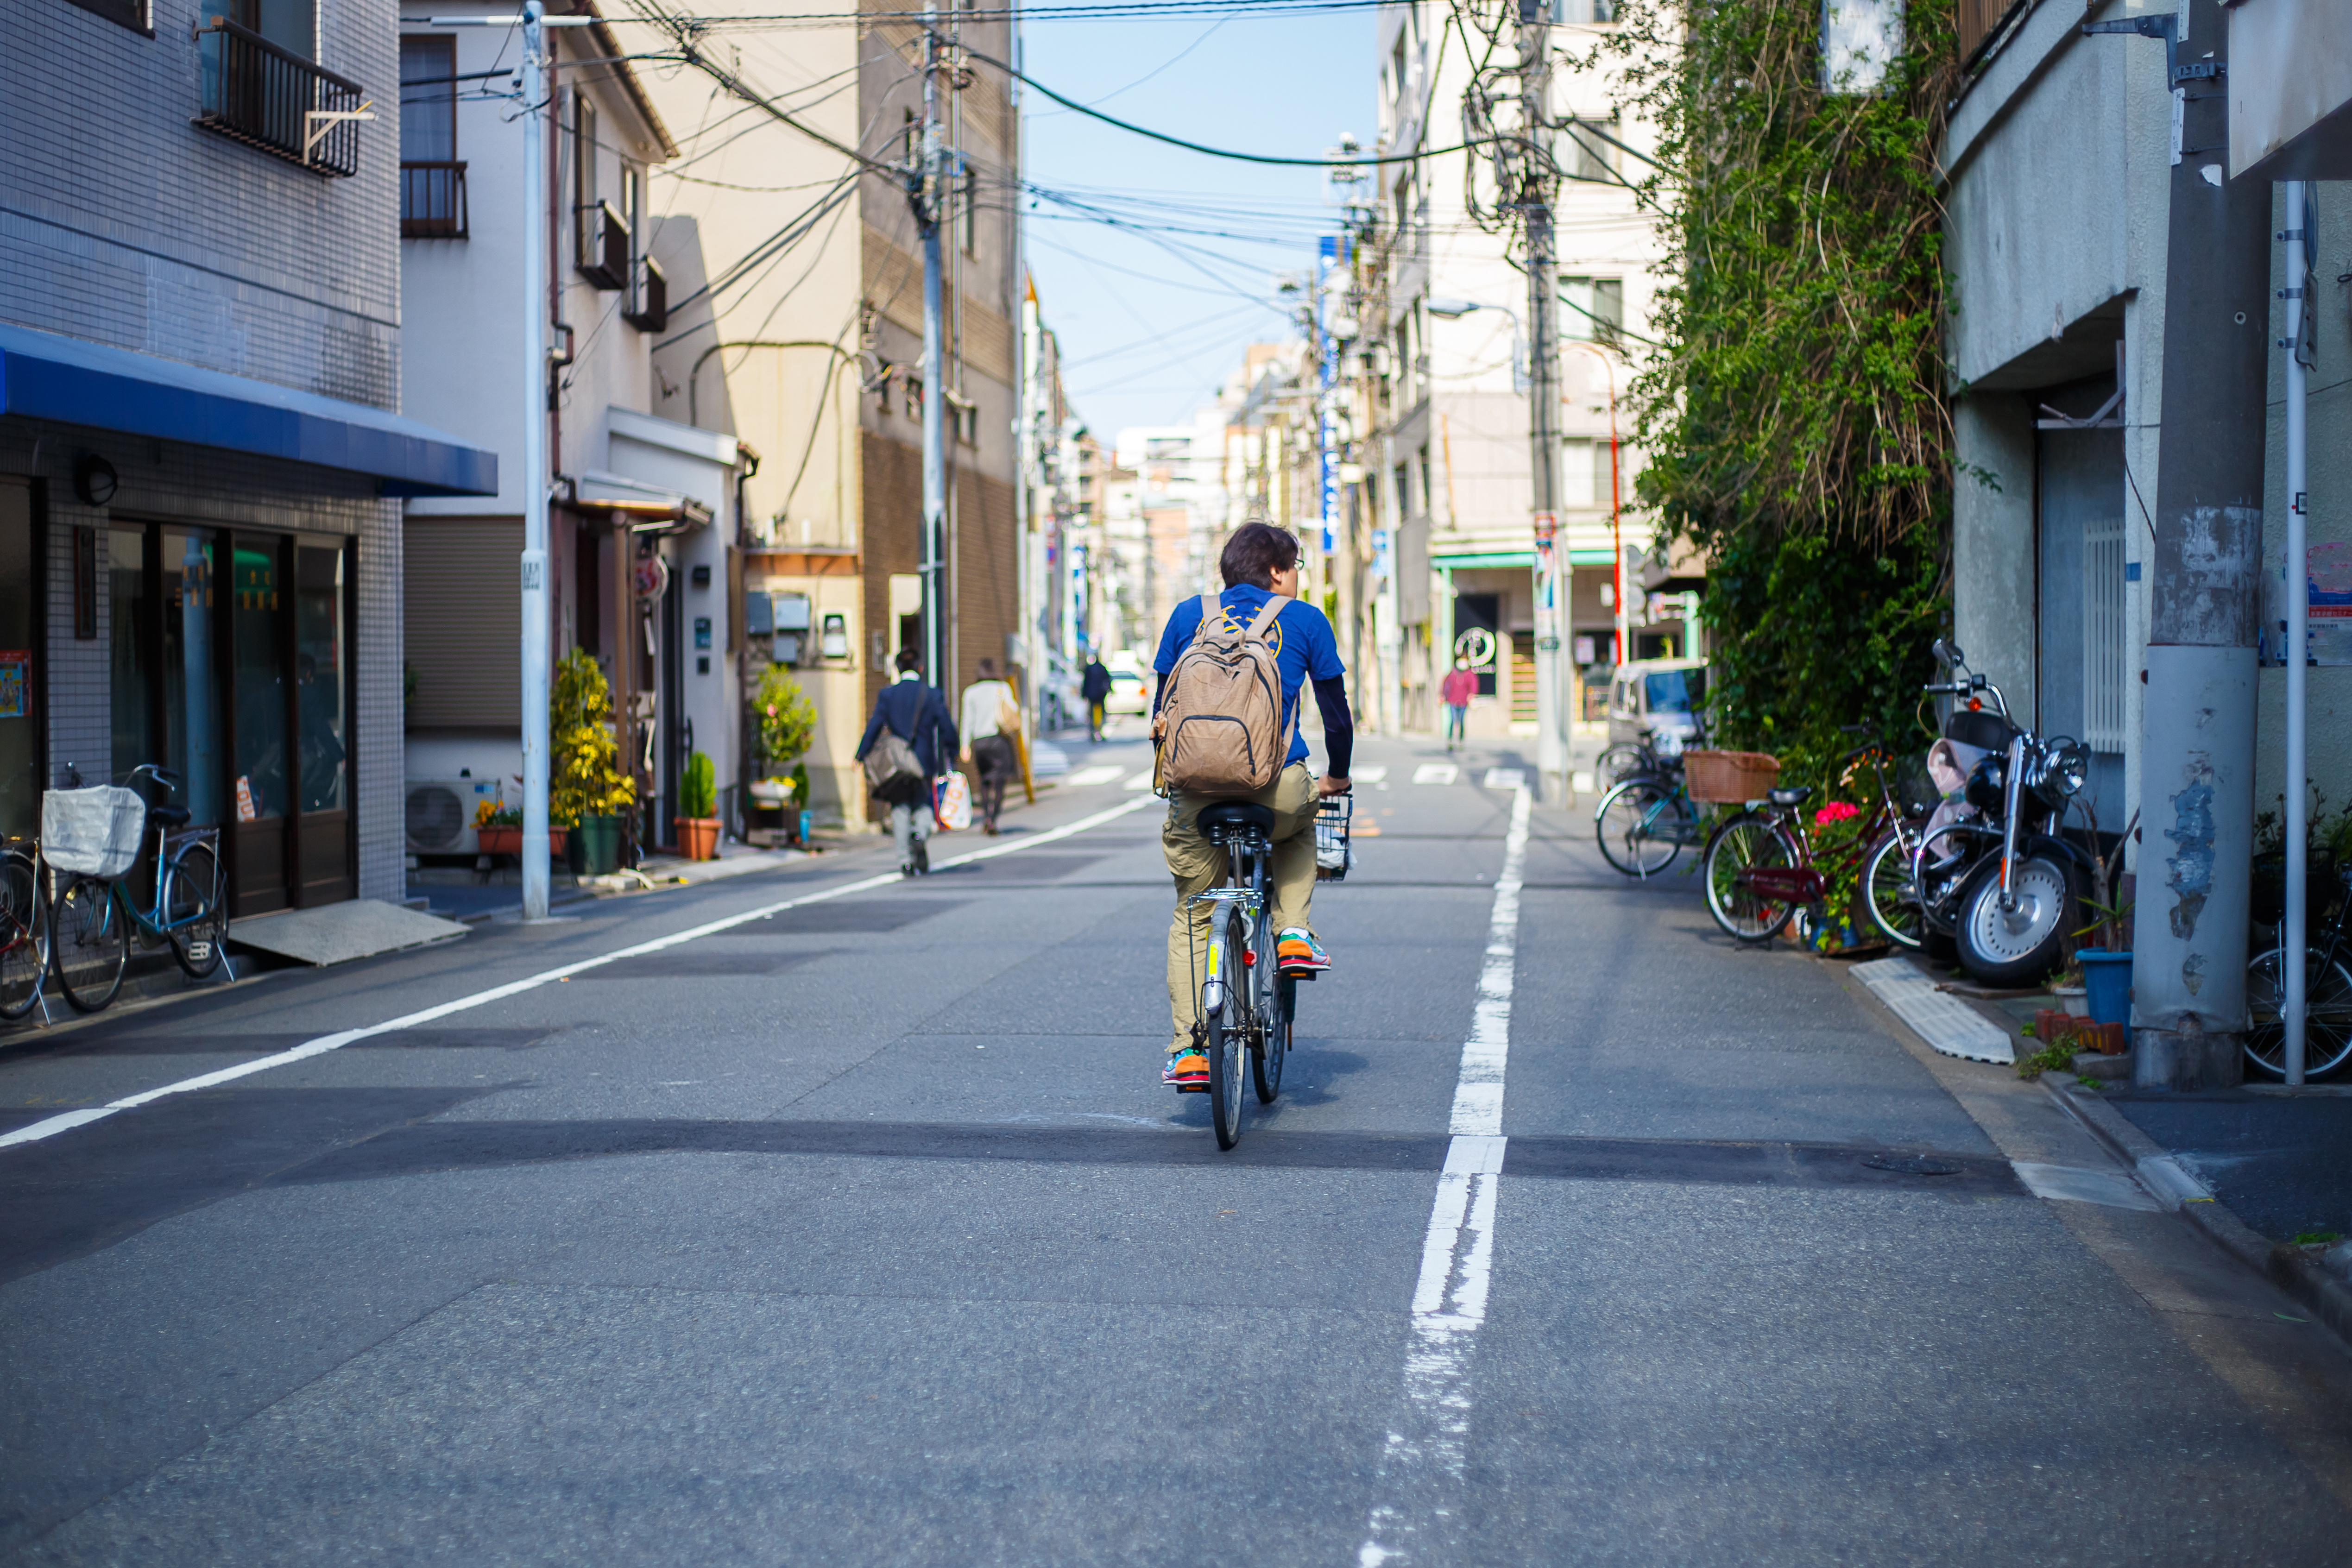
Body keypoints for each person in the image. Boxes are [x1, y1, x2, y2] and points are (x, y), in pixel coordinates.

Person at [1154, 522, 1351, 1093]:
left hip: (1196, 795)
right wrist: (1335, 775)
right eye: (1294, 569)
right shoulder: (1306, 620)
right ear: (1275, 571)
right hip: (1275, 787)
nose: (1296, 579)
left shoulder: (1188, 615)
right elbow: (1337, 716)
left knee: (1194, 911)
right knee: (1298, 823)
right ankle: (1292, 932)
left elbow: (1165, 706)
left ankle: (1190, 1049)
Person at [855, 647, 959, 877]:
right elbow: (946, 726)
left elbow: (874, 726)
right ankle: (920, 835)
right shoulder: (932, 695)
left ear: (898, 668)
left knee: (900, 807)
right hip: (922, 762)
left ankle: (905, 862)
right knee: (923, 805)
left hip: (897, 762)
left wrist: (860, 754)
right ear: (920, 668)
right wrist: (954, 750)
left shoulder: (888, 695)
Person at [959, 657, 1020, 836]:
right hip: (998, 741)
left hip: (980, 743)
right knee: (1000, 783)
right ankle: (993, 820)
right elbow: (1013, 710)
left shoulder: (970, 692)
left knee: (984, 782)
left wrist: (965, 746)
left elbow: (967, 721)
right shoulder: (1002, 689)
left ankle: (986, 817)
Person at [1440, 656, 1476, 749]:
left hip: (1464, 702)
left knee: (1461, 721)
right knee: (1453, 720)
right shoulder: (1452, 674)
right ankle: (1450, 740)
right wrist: (1442, 695)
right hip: (1452, 700)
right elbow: (1446, 684)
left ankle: (1461, 741)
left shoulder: (1469, 675)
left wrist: (1472, 695)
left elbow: (1473, 686)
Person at [1080, 654, 1113, 743]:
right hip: (1101, 695)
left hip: (1091, 695)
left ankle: (1092, 733)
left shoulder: (1089, 669)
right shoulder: (1103, 668)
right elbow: (1108, 680)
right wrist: (1110, 690)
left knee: (1091, 714)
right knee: (1101, 713)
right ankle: (1100, 732)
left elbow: (1085, 682)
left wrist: (1084, 694)